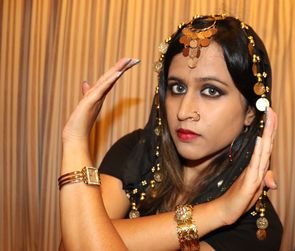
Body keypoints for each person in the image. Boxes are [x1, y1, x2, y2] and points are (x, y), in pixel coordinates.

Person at [59, 15, 282, 251]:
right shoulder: (137, 150)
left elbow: (82, 240)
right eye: (178, 87)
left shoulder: (257, 227)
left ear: (250, 110)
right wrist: (219, 212)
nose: (184, 111)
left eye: (211, 91)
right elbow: (71, 245)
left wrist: (76, 144)